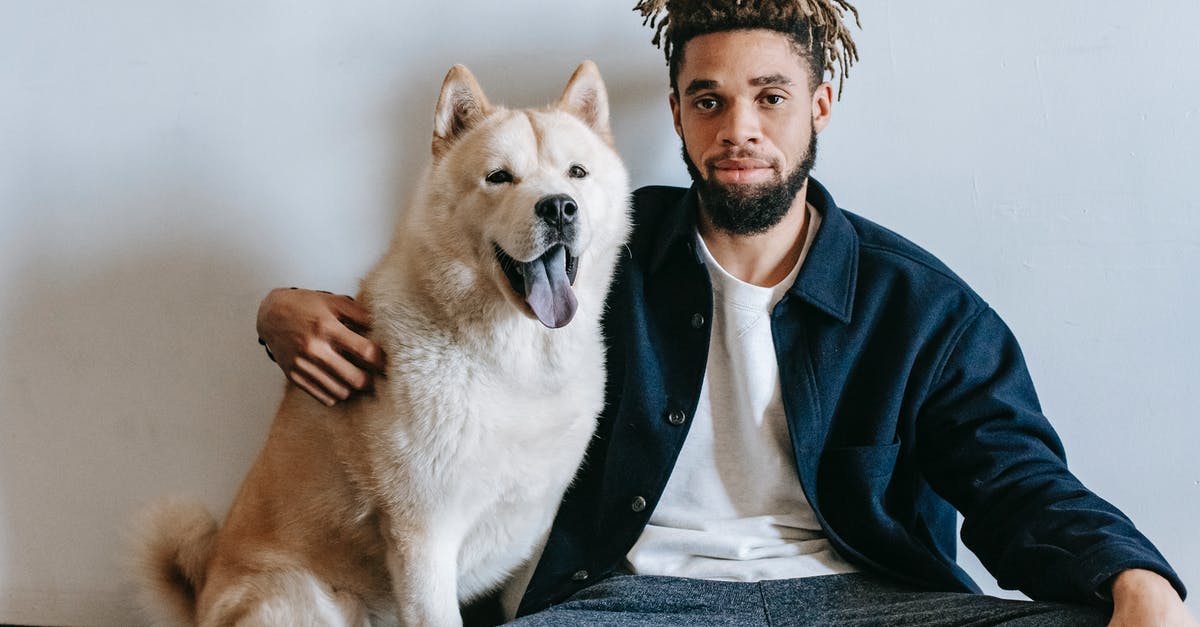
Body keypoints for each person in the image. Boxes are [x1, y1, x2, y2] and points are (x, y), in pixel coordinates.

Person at [255, 1, 1195, 624]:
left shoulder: (919, 307)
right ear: (676, 115)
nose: (738, 126)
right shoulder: (597, 255)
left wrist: (1137, 580)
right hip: (634, 601)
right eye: (710, 100)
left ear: (819, 104)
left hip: (861, 601)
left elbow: (1016, 478)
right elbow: (445, 299)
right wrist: (285, 311)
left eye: (770, 97)